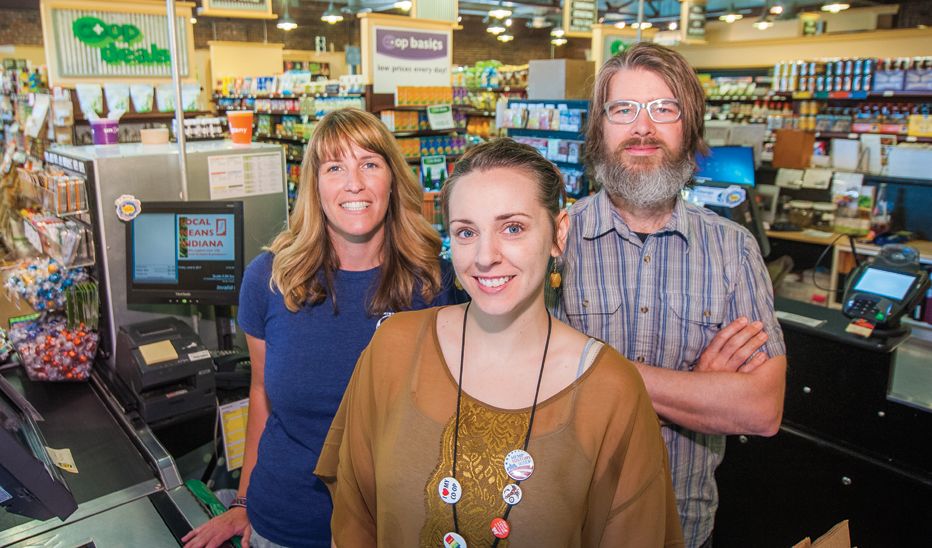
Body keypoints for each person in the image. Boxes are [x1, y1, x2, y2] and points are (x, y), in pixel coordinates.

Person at [317, 138, 683, 548]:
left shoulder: (612, 390)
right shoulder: (393, 349)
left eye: (512, 228)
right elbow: (353, 522)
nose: (485, 256)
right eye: (467, 231)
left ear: (559, 233)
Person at [182, 108, 462, 548]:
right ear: (314, 185)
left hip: (397, 526)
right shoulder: (269, 279)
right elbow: (261, 395)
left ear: (392, 178)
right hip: (285, 525)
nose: (354, 183)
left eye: (369, 164)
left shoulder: (435, 283)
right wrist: (241, 502)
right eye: (335, 167)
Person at [553, 42, 786, 548]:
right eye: (623, 110)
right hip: (566, 523)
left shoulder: (733, 249)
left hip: (681, 527)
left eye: (664, 109)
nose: (643, 128)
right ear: (599, 129)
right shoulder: (554, 240)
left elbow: (761, 409)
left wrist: (591, 374)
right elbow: (524, 383)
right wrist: (696, 390)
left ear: (690, 128)